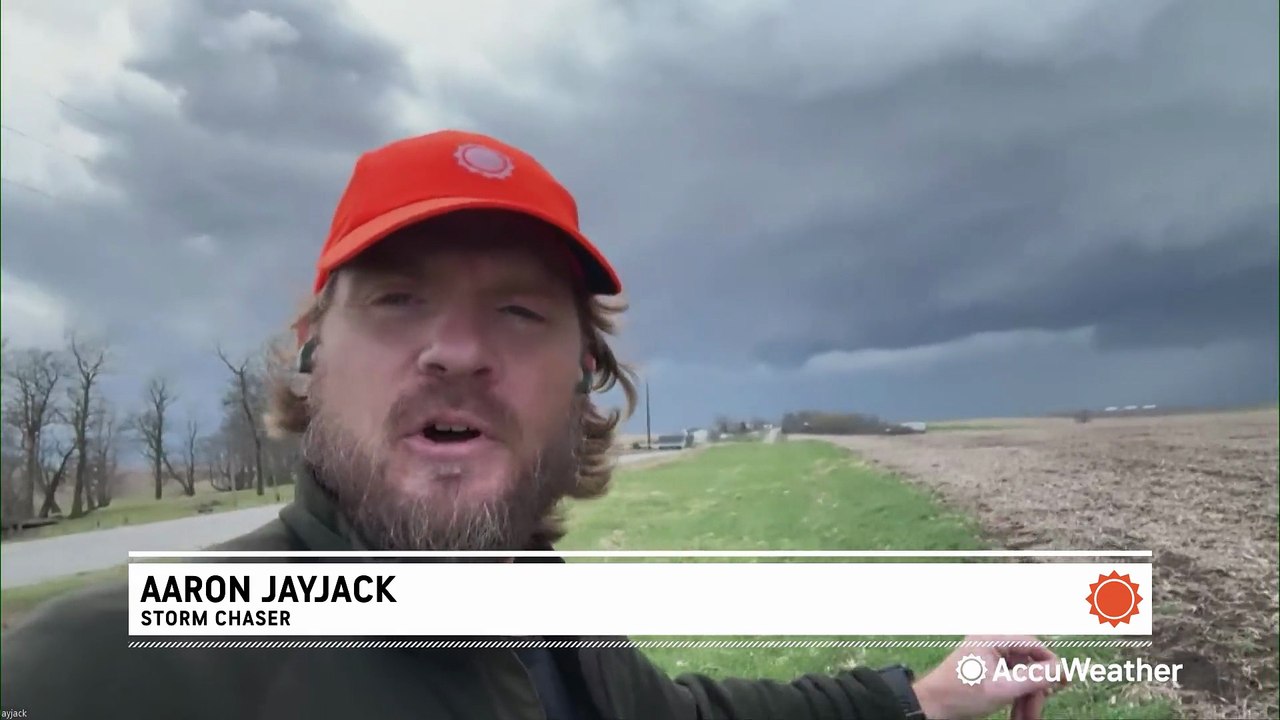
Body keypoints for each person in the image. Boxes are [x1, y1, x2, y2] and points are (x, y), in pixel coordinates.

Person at [0, 130, 1063, 720]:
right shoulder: (114, 667)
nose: (457, 349)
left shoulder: (544, 625)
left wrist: (929, 695)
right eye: (398, 299)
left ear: (582, 381)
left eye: (517, 311)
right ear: (312, 356)